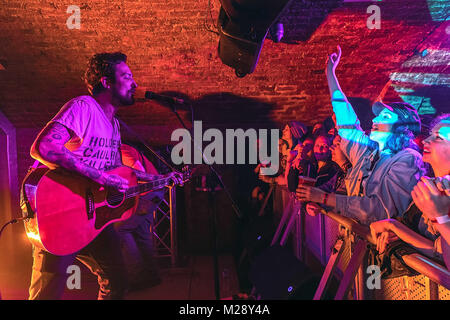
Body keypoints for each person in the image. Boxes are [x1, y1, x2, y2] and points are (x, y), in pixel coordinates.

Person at [27, 52, 182, 299]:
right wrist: (100, 177)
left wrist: (157, 179)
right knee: (48, 292)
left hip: (92, 218)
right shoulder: (83, 107)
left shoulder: (115, 125)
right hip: (58, 212)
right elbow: (43, 147)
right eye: (127, 76)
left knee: (117, 282)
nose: (135, 84)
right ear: (106, 82)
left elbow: (115, 171)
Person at [297, 46, 425, 225]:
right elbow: (346, 122)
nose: (376, 118)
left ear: (402, 128)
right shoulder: (370, 153)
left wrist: (325, 199)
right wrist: (330, 74)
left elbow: (380, 210)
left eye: (385, 116)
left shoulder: (408, 159)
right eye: (379, 114)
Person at [370, 114, 450, 269]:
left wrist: (439, 217)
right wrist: (397, 231)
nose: (426, 141)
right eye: (430, 135)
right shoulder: (430, 185)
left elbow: (439, 253)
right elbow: (431, 245)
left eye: (438, 138)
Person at [114, 144, 165, 291]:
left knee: (119, 230)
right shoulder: (127, 149)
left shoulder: (123, 151)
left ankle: (137, 277)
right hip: (153, 195)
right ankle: (152, 276)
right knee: (141, 235)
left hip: (145, 196)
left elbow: (139, 174)